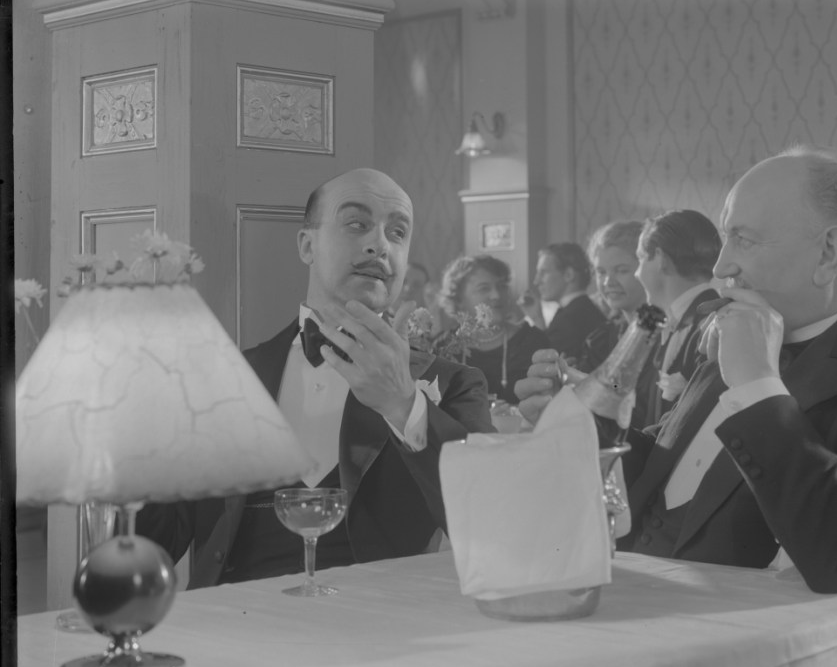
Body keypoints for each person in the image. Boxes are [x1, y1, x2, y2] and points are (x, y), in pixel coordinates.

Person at [516, 145, 837, 593]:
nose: (720, 266)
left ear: (829, 254)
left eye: (744, 239)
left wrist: (757, 385)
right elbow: (667, 473)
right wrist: (582, 420)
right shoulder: (729, 340)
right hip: (633, 602)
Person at [138, 168, 493, 588]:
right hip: (237, 614)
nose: (380, 245)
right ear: (307, 246)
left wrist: (403, 403)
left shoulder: (455, 383)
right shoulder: (223, 379)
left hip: (381, 616)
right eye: (357, 224)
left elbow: (491, 525)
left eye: (397, 232)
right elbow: (151, 541)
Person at [634, 210, 722, 424]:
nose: (637, 273)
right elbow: (637, 397)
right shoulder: (664, 323)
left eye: (641, 259)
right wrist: (587, 381)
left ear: (660, 258)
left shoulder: (712, 326)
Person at [434, 254, 551, 405]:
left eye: (502, 286)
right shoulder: (443, 347)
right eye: (484, 288)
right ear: (459, 299)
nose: (496, 295)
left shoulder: (533, 342)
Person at [576, 221, 658, 429]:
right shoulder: (599, 339)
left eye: (621, 271)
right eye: (601, 272)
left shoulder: (667, 335)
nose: (607, 282)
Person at [519, 242, 607, 365]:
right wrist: (537, 318)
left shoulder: (570, 320)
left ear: (568, 275)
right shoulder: (583, 309)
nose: (536, 281)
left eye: (543, 273)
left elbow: (544, 364)